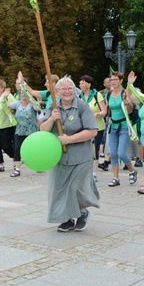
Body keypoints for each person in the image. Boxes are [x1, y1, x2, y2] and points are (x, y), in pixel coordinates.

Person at [40, 77, 99, 232]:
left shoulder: (82, 107)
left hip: (80, 157)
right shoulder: (54, 107)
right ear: (57, 92)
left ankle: (81, 213)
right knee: (59, 188)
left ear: (74, 91)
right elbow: (42, 130)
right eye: (63, 89)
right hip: (58, 157)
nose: (67, 92)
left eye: (70, 89)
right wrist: (52, 119)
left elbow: (92, 131)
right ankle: (65, 219)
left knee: (76, 188)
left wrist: (69, 139)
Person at [105, 71, 137, 186]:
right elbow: (107, 111)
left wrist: (126, 101)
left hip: (123, 126)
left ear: (121, 81)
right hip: (112, 126)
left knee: (121, 154)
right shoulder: (108, 95)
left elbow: (130, 110)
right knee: (113, 153)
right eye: (111, 80)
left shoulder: (125, 93)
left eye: (115, 80)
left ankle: (132, 171)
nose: (112, 82)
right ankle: (115, 178)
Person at [77, 75, 107, 181]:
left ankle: (94, 172)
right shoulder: (79, 96)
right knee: (83, 148)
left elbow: (104, 110)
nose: (80, 85)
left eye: (83, 83)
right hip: (84, 126)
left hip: (97, 126)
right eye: (80, 83)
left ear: (89, 84)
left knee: (95, 149)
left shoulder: (97, 95)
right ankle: (85, 170)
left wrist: (98, 114)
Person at [10, 81, 41, 177]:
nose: (23, 95)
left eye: (25, 93)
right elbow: (5, 106)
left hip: (31, 131)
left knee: (34, 149)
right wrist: (11, 113)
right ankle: (17, 168)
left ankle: (38, 165)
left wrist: (35, 100)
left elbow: (39, 108)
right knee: (17, 148)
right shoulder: (17, 104)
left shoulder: (32, 104)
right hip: (20, 130)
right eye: (22, 93)